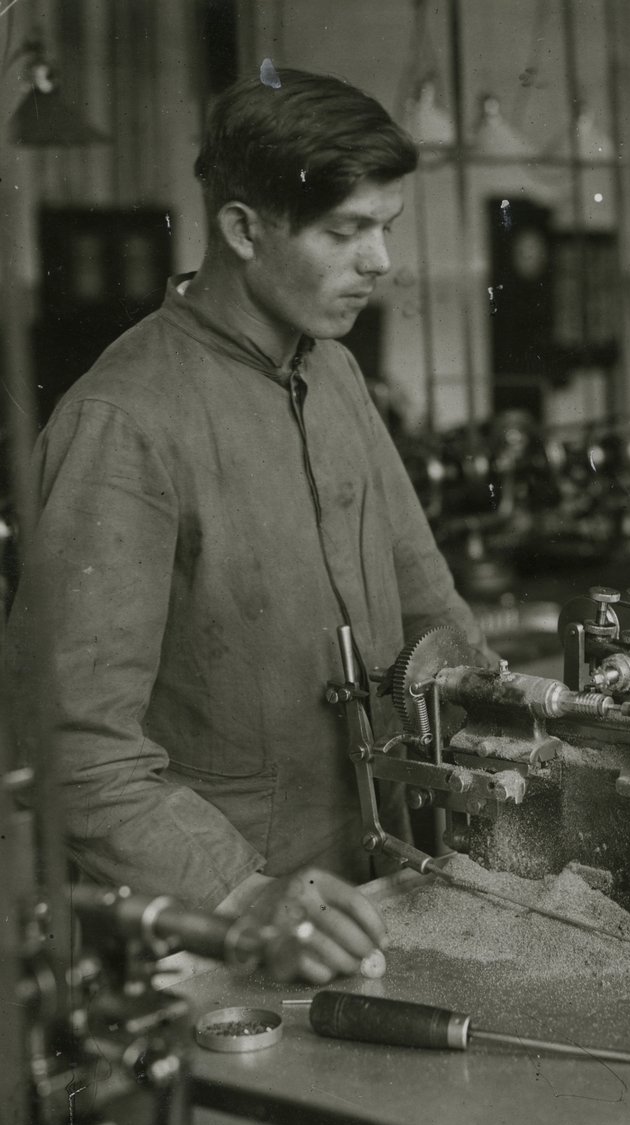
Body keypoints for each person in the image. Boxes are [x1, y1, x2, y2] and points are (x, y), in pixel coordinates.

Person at [3, 68, 493, 984]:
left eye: (386, 227)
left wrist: (522, 730)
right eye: (345, 231)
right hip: (214, 940)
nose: (380, 262)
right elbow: (69, 740)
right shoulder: (124, 419)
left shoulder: (334, 374)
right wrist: (239, 894)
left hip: (378, 890)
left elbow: (429, 605)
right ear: (241, 229)